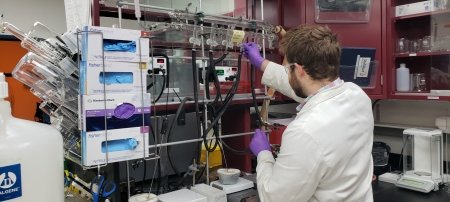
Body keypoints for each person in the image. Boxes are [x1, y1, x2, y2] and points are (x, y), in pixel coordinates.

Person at [243, 25, 374, 202]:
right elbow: (309, 89)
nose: (287, 72)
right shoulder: (358, 96)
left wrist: (263, 154)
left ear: (299, 70)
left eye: (288, 68)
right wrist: (261, 63)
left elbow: (275, 197)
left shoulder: (304, 131)